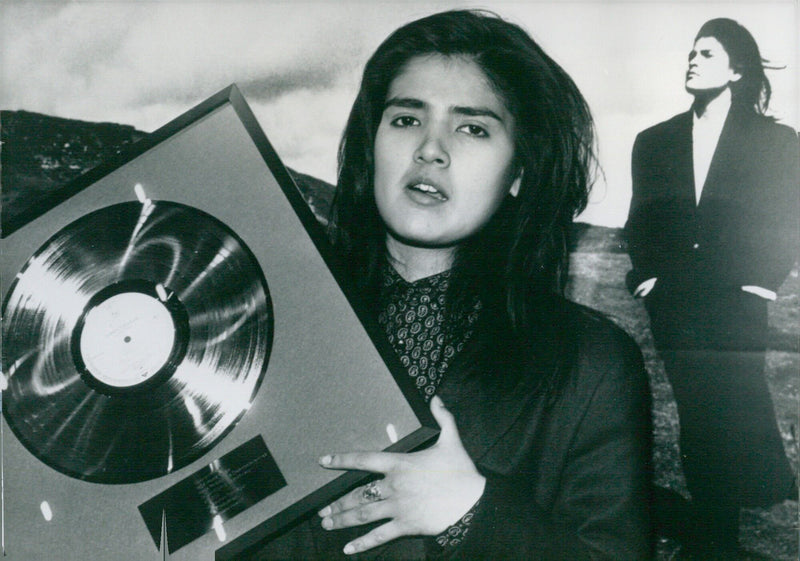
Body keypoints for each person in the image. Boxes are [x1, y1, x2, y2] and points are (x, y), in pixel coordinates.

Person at [253, 9, 652, 560]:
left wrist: (470, 513)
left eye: (473, 128)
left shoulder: (594, 366)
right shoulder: (266, 319)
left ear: (518, 173)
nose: (430, 149)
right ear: (371, 146)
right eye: (406, 119)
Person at [625, 17, 799, 559]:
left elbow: (787, 218)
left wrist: (762, 286)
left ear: (737, 68)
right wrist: (649, 280)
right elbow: (640, 222)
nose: (692, 60)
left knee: (725, 408)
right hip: (674, 301)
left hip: (738, 300)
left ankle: (719, 531)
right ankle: (718, 535)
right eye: (690, 52)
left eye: (706, 53)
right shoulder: (654, 141)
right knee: (699, 412)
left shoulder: (777, 141)